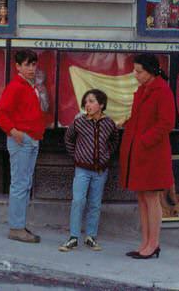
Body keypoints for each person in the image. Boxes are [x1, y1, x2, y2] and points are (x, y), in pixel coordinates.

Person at [119, 53, 175, 259]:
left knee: (151, 198)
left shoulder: (162, 92)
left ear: (150, 71)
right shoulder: (143, 90)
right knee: (142, 197)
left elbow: (166, 123)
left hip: (152, 154)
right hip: (140, 152)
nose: (135, 74)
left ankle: (153, 243)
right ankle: (145, 242)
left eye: (139, 71)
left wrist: (143, 141)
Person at [0, 50, 46, 243]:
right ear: (18, 66)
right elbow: (0, 114)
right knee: (20, 185)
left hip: (31, 139)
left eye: (33, 64)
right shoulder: (16, 86)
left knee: (25, 184)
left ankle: (19, 225)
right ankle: (16, 228)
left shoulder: (31, 86)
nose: (31, 68)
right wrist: (14, 132)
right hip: (22, 140)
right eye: (27, 65)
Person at [59, 89, 118, 252]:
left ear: (101, 104)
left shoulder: (109, 124)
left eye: (92, 101)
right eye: (86, 101)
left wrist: (106, 156)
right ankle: (73, 237)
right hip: (82, 170)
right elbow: (68, 139)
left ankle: (91, 236)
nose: (88, 104)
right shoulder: (79, 122)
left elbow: (114, 141)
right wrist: (77, 155)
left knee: (95, 204)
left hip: (100, 171)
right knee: (78, 201)